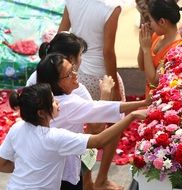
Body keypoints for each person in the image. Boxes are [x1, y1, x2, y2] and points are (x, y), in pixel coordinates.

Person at [0, 83, 146, 190]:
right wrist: (131, 116)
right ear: (41, 113)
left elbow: (2, 164)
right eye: (52, 101)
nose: (57, 102)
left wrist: (27, 168)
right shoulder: (55, 137)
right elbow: (98, 140)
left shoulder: (17, 128)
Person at [36, 53, 149, 190]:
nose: (75, 74)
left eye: (73, 69)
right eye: (68, 74)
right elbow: (98, 126)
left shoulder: (48, 96)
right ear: (55, 82)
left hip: (54, 165)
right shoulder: (66, 103)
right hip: (61, 171)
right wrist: (137, 110)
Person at [58, 0, 125, 102]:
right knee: (112, 115)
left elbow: (61, 35)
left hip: (76, 73)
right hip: (101, 76)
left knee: (86, 116)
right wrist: (115, 88)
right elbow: (108, 51)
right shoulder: (112, 7)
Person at [137, 0, 182, 96]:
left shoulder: (177, 47)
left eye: (150, 21)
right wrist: (142, 44)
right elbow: (142, 66)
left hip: (162, 101)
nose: (149, 24)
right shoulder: (156, 36)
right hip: (149, 97)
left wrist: (146, 49)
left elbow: (155, 82)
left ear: (162, 22)